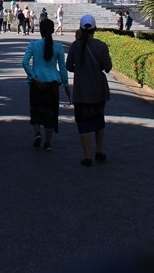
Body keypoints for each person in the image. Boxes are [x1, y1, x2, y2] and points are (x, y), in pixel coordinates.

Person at [66, 14, 112, 167]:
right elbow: (108, 68)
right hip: (98, 89)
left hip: (81, 89)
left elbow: (68, 66)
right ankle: (99, 151)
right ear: (95, 29)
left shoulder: (75, 46)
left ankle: (87, 156)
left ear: (80, 28)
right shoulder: (101, 46)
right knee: (98, 120)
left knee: (83, 122)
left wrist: (80, 69)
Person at [21, 18, 70, 151]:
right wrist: (66, 86)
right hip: (52, 83)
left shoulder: (33, 45)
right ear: (53, 30)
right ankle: (48, 143)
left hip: (37, 83)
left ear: (40, 30)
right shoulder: (58, 46)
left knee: (36, 110)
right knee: (50, 112)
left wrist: (33, 76)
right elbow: (63, 68)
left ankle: (37, 133)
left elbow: (25, 62)